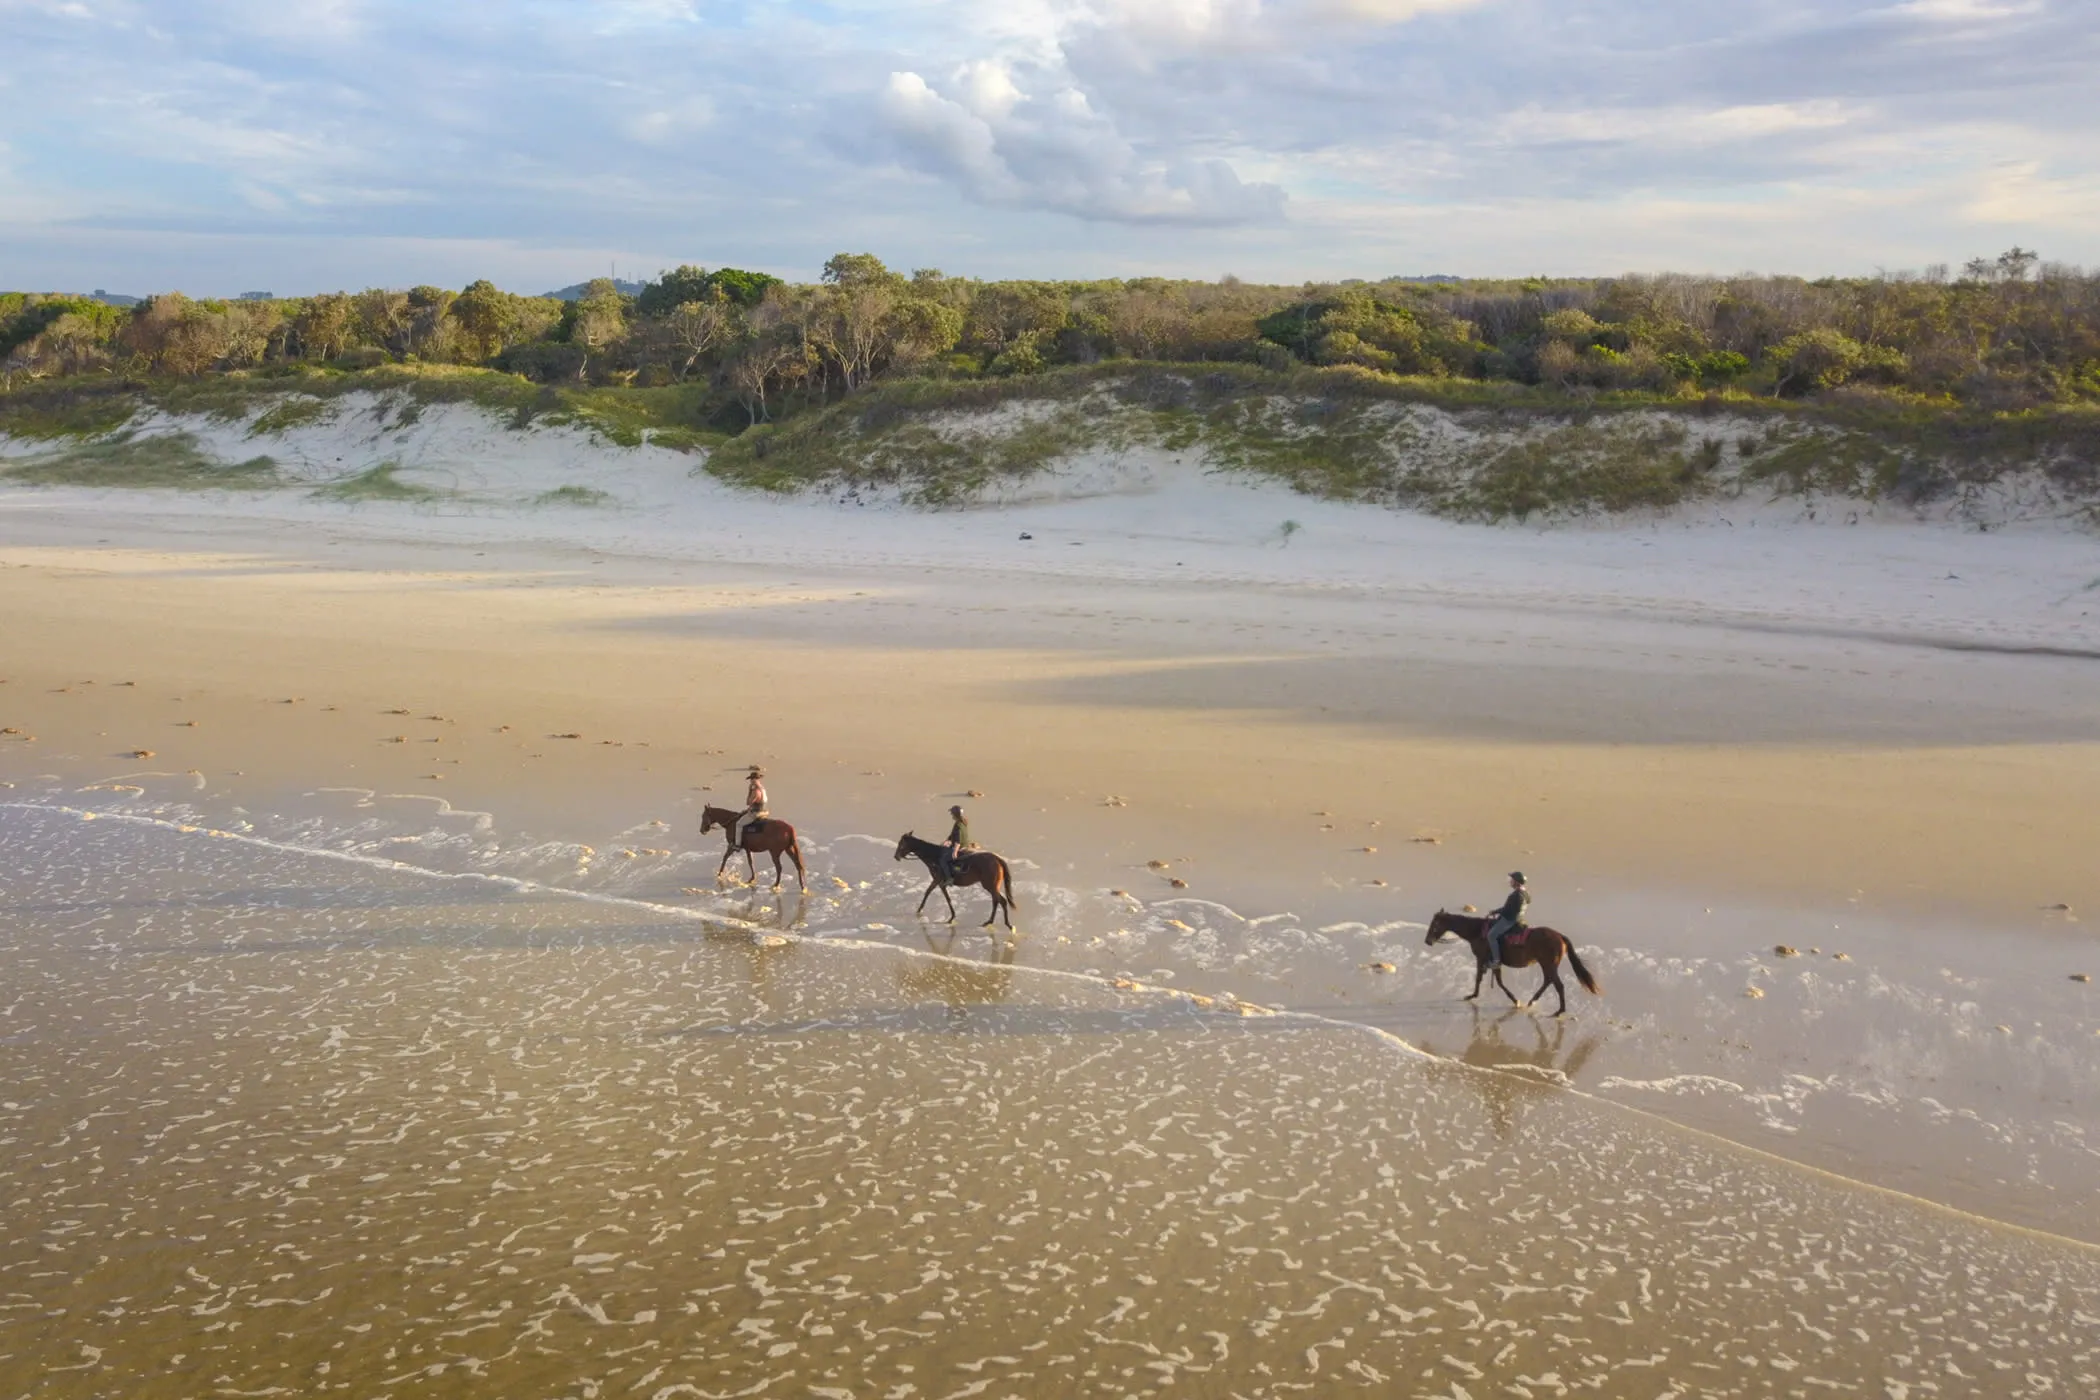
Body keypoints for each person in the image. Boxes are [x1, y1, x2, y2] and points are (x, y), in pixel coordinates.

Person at [1485, 871, 1529, 970]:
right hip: (1520, 919)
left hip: (1510, 920)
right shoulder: (1525, 893)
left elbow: (1507, 910)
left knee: (1491, 935)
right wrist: (1497, 912)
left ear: (1517, 882)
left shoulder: (1515, 895)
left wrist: (1495, 912)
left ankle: (1496, 961)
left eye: (1512, 880)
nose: (1510, 882)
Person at [731, 765, 768, 849]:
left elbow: (748, 802)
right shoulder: (763, 788)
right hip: (763, 810)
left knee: (739, 824)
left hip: (756, 812)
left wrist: (749, 790)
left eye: (751, 779)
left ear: (754, 779)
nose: (750, 781)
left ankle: (737, 845)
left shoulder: (755, 791)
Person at [941, 804, 970, 885]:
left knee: (943, 860)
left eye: (952, 813)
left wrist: (955, 851)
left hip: (960, 847)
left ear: (955, 814)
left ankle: (949, 879)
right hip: (965, 845)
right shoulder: (963, 822)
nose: (951, 815)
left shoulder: (958, 825)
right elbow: (953, 835)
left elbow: (958, 840)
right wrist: (946, 841)